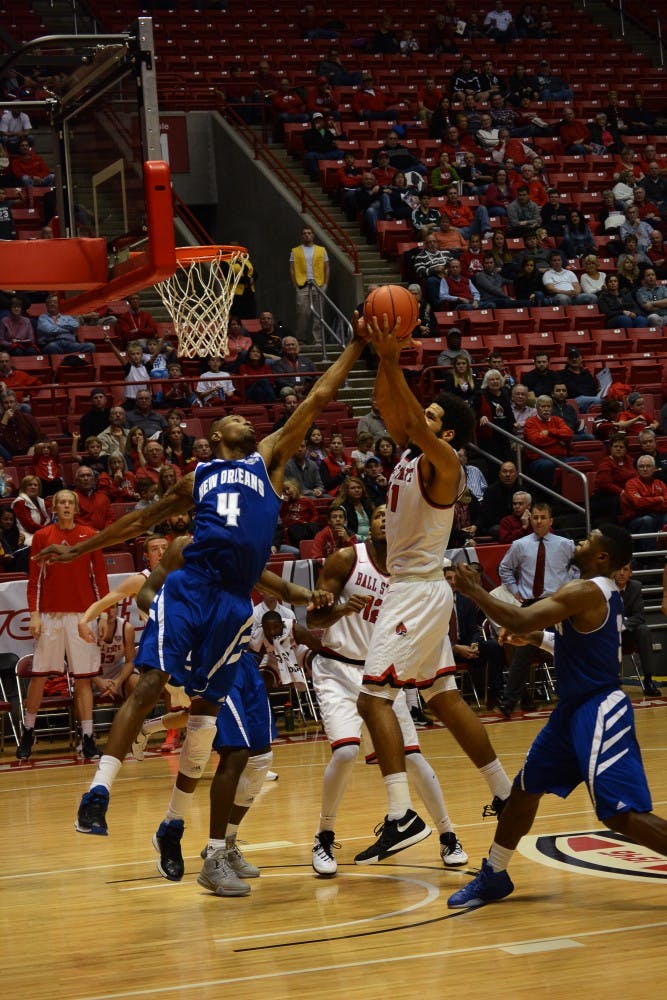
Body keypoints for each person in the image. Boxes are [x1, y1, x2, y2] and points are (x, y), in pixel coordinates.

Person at [37, 325, 371, 862]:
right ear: (216, 436)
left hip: (236, 604)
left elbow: (317, 399)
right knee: (149, 685)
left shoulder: (267, 459)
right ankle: (97, 792)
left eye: (244, 416)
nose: (243, 415)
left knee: (206, 716)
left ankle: (174, 824)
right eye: (232, 417)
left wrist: (356, 345)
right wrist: (79, 551)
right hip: (192, 589)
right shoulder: (197, 480)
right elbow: (139, 521)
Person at [354, 319, 512, 865]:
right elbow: (386, 401)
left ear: (448, 434)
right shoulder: (414, 451)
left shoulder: (446, 463)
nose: (423, 418)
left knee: (371, 697)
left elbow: (411, 420)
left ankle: (400, 814)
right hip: (416, 591)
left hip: (416, 593)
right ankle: (504, 792)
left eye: (434, 416)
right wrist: (382, 355)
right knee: (443, 697)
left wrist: (395, 356)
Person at [447, 525, 667, 909]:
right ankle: (494, 874)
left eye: (589, 539)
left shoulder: (586, 590)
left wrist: (474, 591)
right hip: (572, 710)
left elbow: (518, 619)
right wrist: (535, 639)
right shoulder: (588, 592)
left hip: (599, 708)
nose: (580, 541)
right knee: (524, 790)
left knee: (621, 815)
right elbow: (577, 643)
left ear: (601, 557)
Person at [308, 505, 468, 875]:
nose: (383, 519)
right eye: (377, 514)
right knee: (346, 753)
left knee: (412, 756)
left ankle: (448, 836)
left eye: (389, 514)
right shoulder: (347, 559)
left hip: (381, 675)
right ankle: (324, 836)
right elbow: (313, 618)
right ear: (370, 524)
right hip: (337, 668)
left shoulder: (408, 570)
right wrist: (344, 609)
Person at [16, 489, 109, 761]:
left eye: (71, 502)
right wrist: (34, 614)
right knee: (39, 676)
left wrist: (103, 614)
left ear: (76, 507)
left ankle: (88, 737)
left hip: (83, 615)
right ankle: (28, 732)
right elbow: (34, 581)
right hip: (50, 616)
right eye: (62, 502)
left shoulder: (90, 535)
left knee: (83, 679)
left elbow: (100, 579)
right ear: (54, 507)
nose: (67, 506)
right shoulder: (43, 537)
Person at [495, 502, 576, 717]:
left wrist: (569, 590)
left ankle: (572, 694)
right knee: (522, 653)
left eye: (543, 517)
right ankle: (509, 702)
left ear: (551, 521)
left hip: (558, 603)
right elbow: (504, 568)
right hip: (531, 604)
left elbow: (577, 569)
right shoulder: (520, 545)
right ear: (531, 520)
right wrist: (515, 590)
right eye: (535, 517)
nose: (539, 521)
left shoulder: (565, 544)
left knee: (566, 650)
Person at [614, 562, 661, 698]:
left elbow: (639, 616)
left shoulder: (635, 586)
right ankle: (609, 682)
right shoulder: (606, 586)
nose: (622, 573)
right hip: (608, 633)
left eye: (625, 569)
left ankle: (648, 680)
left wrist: (623, 625)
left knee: (643, 630)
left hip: (626, 632)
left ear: (631, 573)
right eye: (618, 569)